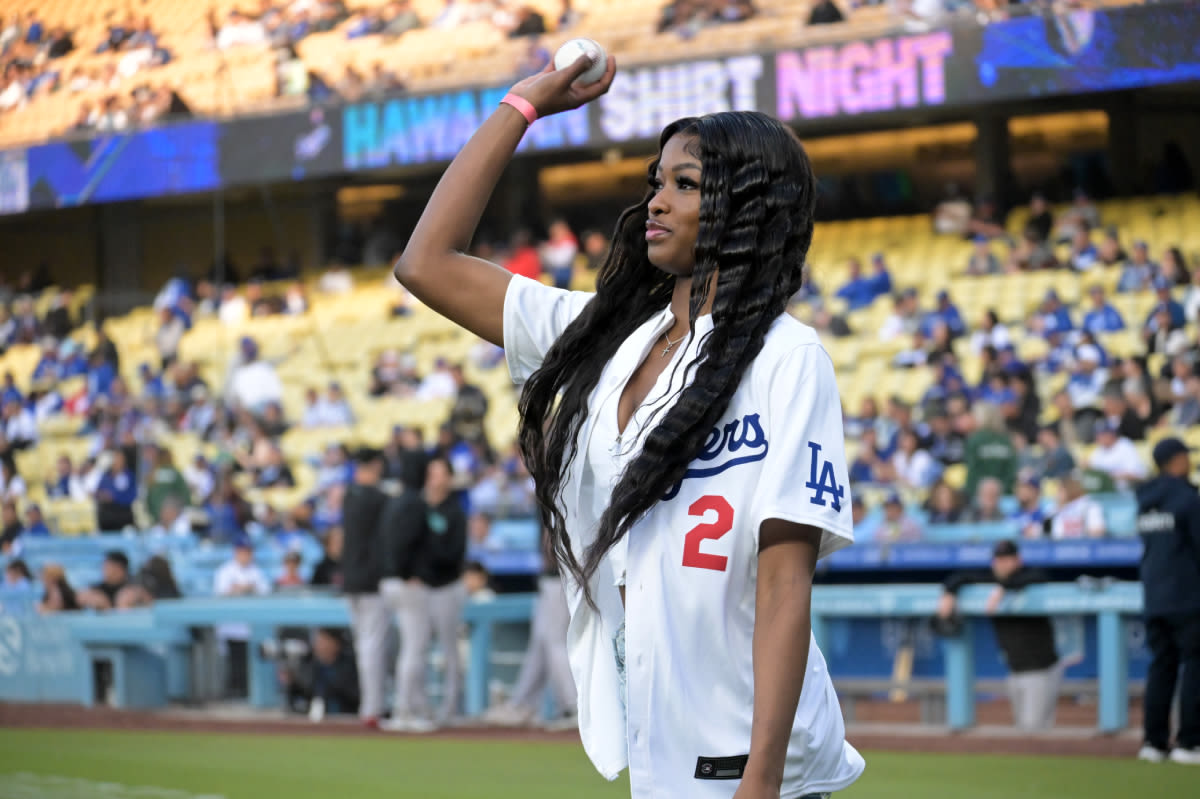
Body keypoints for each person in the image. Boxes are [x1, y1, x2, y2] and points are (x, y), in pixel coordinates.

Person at [391, 56, 864, 797]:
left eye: (685, 184)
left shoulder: (786, 356)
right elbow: (425, 262)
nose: (657, 200)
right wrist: (525, 103)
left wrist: (762, 779)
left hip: (760, 764)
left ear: (746, 206)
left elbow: (783, 584)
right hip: (658, 749)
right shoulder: (604, 333)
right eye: (655, 182)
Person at [379, 456, 468, 732]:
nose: (434, 478)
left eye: (440, 473)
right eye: (431, 473)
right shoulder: (415, 505)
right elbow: (404, 545)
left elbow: (452, 553)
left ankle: (447, 709)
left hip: (444, 586)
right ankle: (413, 707)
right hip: (418, 587)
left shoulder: (453, 511)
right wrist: (411, 573)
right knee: (416, 648)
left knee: (445, 649)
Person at [937, 540, 1059, 731]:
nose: (1002, 564)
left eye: (1007, 559)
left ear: (1018, 560)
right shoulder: (991, 580)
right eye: (999, 560)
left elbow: (1039, 577)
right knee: (1023, 730)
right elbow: (959, 578)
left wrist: (1004, 587)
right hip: (1015, 670)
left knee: (1034, 730)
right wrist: (948, 593)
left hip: (1041, 669)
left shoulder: (1029, 576)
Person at [1135, 438, 1200, 764]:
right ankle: (1190, 743)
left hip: (1154, 597)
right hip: (1188, 598)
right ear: (1177, 460)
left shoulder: (1144, 501)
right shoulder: (1188, 498)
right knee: (1195, 666)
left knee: (1161, 668)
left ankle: (1154, 743)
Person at [483, 528, 576, 729]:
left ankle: (572, 706)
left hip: (563, 575)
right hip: (555, 577)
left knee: (555, 642)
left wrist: (552, 558)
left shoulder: (563, 499)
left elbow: (554, 534)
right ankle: (522, 704)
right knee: (541, 643)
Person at [340, 447, 391, 730]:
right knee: (373, 646)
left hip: (351, 579)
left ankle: (369, 706)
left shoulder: (350, 495)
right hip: (372, 581)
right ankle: (372, 708)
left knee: (364, 646)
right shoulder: (378, 498)